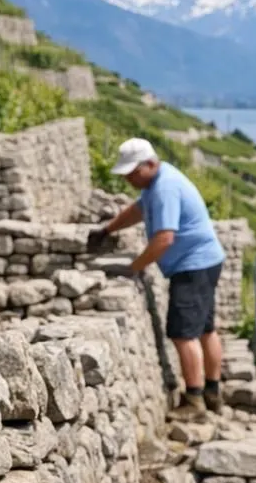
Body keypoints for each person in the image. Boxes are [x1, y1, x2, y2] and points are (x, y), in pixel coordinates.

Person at [90, 138, 227, 417]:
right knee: (205, 329)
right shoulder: (157, 183)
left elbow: (164, 238)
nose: (129, 179)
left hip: (192, 265)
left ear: (150, 164)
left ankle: (195, 401)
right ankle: (213, 391)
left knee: (182, 332)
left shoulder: (164, 188)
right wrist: (107, 229)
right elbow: (138, 211)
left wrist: (134, 267)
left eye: (132, 173)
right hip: (206, 260)